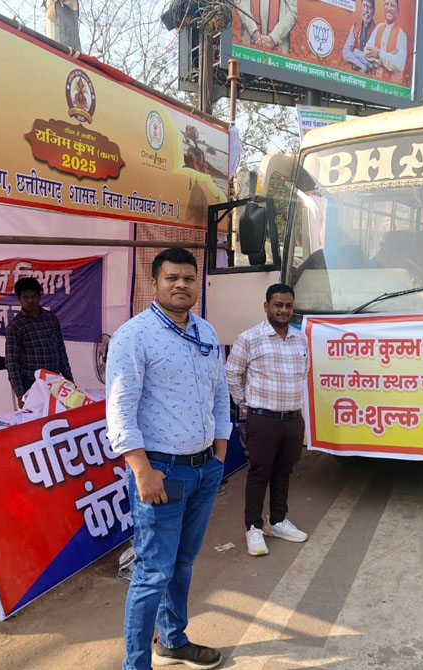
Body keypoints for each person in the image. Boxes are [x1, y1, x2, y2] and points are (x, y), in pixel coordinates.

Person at [106, 247, 231, 670]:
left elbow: (220, 394)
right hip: (162, 472)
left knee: (182, 563)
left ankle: (173, 641)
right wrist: (142, 471)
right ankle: (136, 664)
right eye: (171, 278)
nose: (181, 285)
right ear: (154, 283)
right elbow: (120, 410)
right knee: (152, 572)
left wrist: (219, 454)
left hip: (204, 469)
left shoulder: (206, 332)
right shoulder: (134, 336)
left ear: (197, 284)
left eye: (189, 278)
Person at [226, 284, 309, 557]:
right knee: (259, 473)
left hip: (293, 419)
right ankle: (253, 527)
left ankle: (278, 521)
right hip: (263, 420)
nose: (283, 310)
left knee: (284, 471)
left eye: (288, 306)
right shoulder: (249, 339)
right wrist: (247, 405)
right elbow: (232, 374)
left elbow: (303, 373)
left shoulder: (300, 339)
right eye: (278, 305)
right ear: (266, 306)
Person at [5, 276, 73, 402]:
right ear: (19, 300)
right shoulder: (15, 326)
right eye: (25, 297)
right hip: (31, 383)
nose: (30, 300)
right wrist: (20, 395)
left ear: (39, 297)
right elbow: (12, 363)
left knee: (59, 412)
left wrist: (70, 382)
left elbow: (61, 352)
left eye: (33, 296)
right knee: (37, 414)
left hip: (55, 381)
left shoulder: (51, 319)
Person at [365, 0, 407, 82]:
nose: (389, 8)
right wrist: (389, 56)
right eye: (386, 4)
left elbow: (399, 64)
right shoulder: (378, 28)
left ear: (397, 10)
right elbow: (367, 52)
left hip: (391, 86)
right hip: (373, 82)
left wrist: (379, 54)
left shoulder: (401, 35)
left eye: (392, 6)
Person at [342, 0, 376, 73]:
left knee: (356, 52)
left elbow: (373, 60)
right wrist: (362, 66)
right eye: (364, 6)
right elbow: (346, 51)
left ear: (374, 11)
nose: (366, 10)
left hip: (368, 64)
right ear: (361, 8)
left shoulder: (377, 31)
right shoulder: (355, 26)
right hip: (362, 66)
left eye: (369, 7)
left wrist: (355, 53)